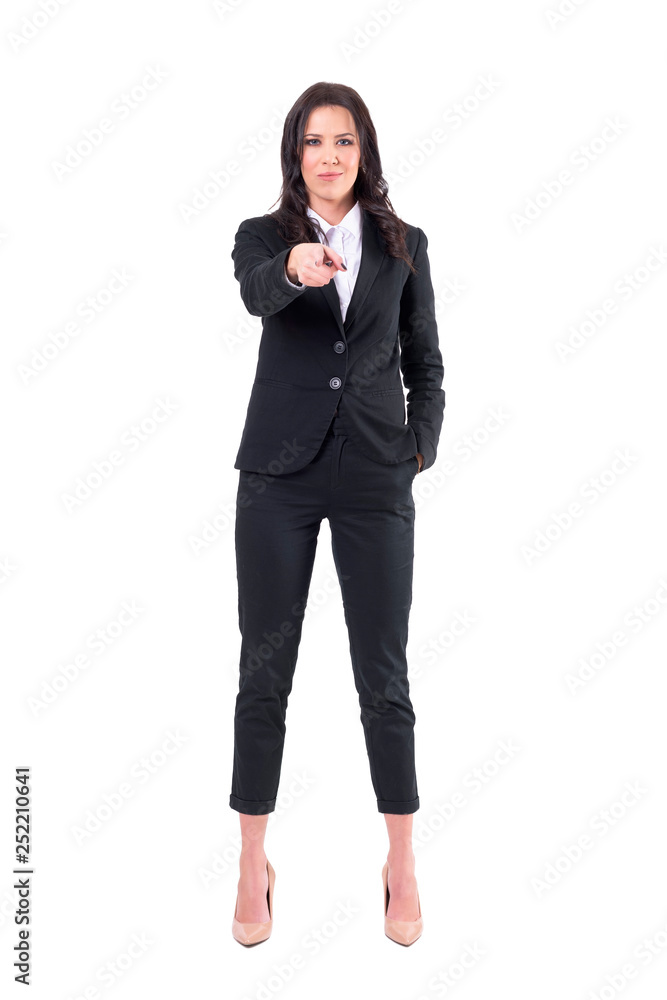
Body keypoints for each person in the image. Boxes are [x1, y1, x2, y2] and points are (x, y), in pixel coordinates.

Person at [229, 82, 445, 947]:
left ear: (364, 152)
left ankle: (402, 858)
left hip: (374, 476)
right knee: (263, 671)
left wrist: (417, 449)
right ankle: (252, 860)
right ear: (296, 153)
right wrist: (295, 268)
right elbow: (255, 292)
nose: (328, 155)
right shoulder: (263, 238)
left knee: (383, 675)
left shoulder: (404, 244)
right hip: (276, 478)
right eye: (313, 141)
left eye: (343, 140)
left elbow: (426, 361)